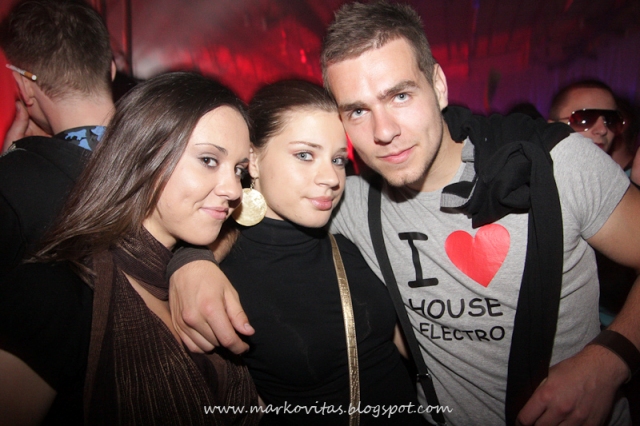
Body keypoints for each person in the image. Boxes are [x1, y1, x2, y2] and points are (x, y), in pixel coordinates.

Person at [169, 2, 640, 425]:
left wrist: (611, 358)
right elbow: (253, 219)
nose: (384, 131)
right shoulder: (349, 200)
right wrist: (192, 261)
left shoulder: (555, 165)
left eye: (399, 95)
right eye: (357, 111)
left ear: (438, 85)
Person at [0, 72, 258, 425]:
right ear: (142, 153)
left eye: (239, 170)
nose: (234, 189)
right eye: (209, 160)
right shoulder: (56, 289)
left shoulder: (202, 275)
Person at [210, 79, 425, 424]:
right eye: (305, 155)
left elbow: (406, 344)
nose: (331, 178)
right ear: (253, 160)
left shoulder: (353, 240)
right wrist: (189, 263)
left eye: (338, 159)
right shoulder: (219, 276)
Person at [0, 0, 116, 279]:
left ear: (25, 86)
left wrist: (11, 164)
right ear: (111, 70)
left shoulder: (12, 186)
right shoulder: (169, 156)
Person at [548, 80, 640, 185]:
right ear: (552, 128)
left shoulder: (618, 185)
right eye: (585, 119)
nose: (602, 130)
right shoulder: (536, 182)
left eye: (611, 120)